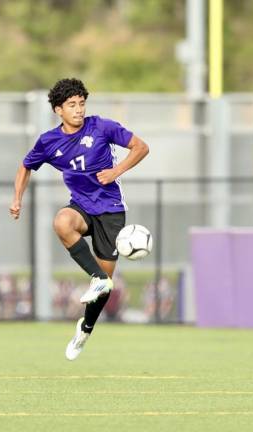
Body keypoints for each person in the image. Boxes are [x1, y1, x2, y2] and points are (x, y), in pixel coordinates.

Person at [10, 78, 149, 360]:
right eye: (72, 105)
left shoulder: (101, 126)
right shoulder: (49, 141)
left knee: (104, 290)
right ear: (58, 110)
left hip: (110, 210)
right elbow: (26, 167)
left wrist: (116, 171)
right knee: (62, 222)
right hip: (81, 207)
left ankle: (85, 329)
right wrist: (17, 198)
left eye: (81, 103)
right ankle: (96, 277)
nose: (78, 110)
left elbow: (141, 147)